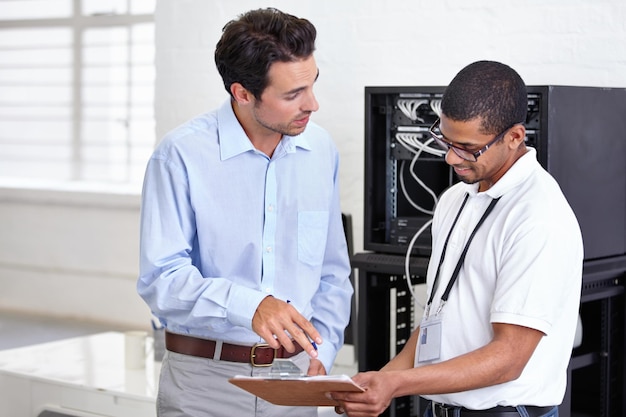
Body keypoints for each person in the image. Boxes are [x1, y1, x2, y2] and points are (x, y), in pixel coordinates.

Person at [331, 61, 583, 417]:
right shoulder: (456, 199)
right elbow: (441, 318)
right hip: (442, 408)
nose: (451, 157)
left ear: (514, 137)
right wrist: (378, 382)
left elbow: (508, 359)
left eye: (467, 148)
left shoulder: (539, 217)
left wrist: (398, 385)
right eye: (445, 140)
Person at [137, 7, 353, 417]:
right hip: (204, 385)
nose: (313, 104)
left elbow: (332, 270)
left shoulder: (320, 150)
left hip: (294, 380)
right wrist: (249, 304)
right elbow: (160, 278)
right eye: (293, 95)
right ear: (242, 93)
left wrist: (322, 347)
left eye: (312, 85)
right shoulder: (180, 156)